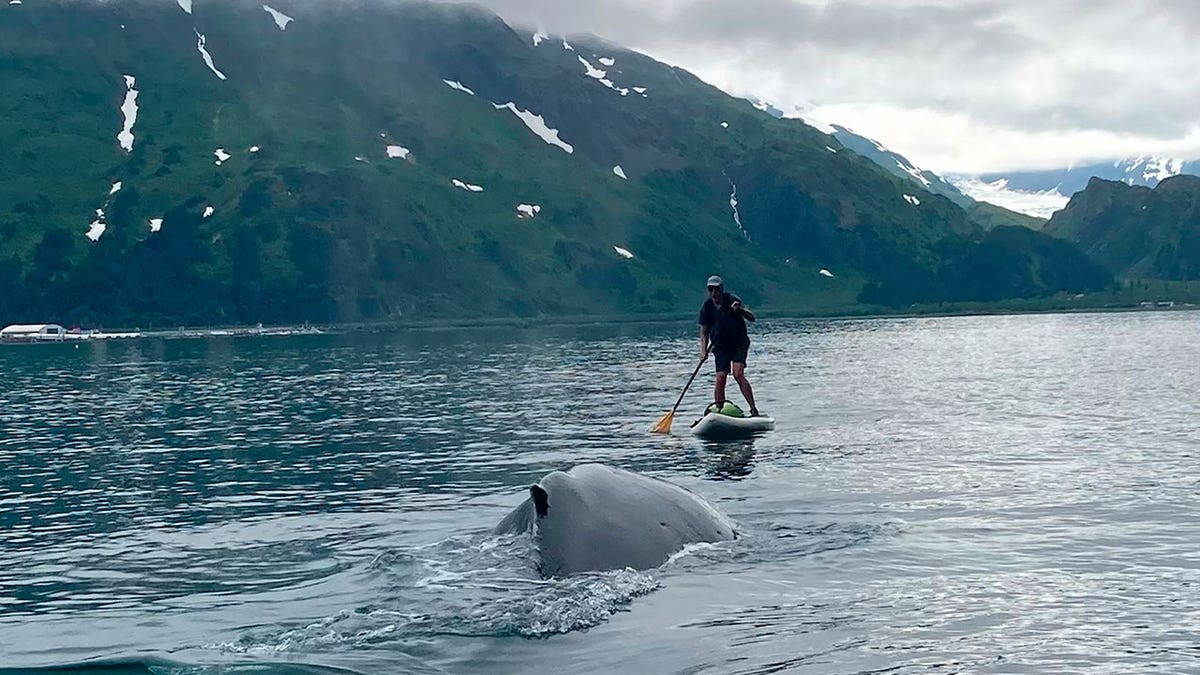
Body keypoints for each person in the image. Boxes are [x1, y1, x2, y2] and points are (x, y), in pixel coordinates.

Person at [698, 275, 760, 417]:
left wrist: (740, 310)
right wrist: (703, 352)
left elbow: (752, 318)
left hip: (739, 343)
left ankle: (753, 409)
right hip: (720, 346)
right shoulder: (707, 307)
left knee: (738, 373)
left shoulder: (732, 299)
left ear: (721, 289)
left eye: (716, 289)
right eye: (710, 289)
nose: (714, 292)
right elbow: (704, 332)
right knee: (720, 378)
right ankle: (719, 410)